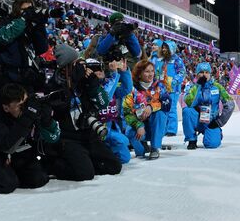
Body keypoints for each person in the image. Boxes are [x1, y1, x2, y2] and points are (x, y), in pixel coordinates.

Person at [43, 44, 122, 181]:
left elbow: (103, 103)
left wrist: (93, 84)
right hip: (68, 137)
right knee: (85, 174)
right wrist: (73, 82)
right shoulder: (54, 84)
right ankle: (52, 165)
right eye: (76, 63)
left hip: (88, 134)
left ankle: (84, 161)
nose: (81, 66)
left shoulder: (85, 81)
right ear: (66, 67)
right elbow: (60, 105)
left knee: (114, 166)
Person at [0, 83, 59, 193]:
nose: (25, 108)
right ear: (6, 108)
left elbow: (51, 137)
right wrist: (28, 117)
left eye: (25, 103)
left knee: (38, 178)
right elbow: (5, 145)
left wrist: (45, 118)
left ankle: (12, 173)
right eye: (20, 106)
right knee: (7, 184)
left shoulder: (29, 105)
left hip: (19, 151)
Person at [0, 0, 49, 92]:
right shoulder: (3, 20)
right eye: (24, 10)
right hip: (6, 76)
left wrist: (39, 25)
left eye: (30, 9)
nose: (28, 12)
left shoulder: (30, 26)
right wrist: (23, 19)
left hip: (26, 77)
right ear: (15, 9)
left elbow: (42, 48)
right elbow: (4, 38)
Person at [122, 60, 170, 160]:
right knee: (129, 132)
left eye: (152, 71)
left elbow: (167, 104)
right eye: (147, 71)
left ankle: (154, 147)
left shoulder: (159, 86)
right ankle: (141, 149)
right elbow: (126, 112)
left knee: (160, 114)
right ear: (139, 73)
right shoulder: (131, 89)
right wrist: (139, 125)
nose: (151, 74)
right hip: (140, 124)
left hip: (155, 124)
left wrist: (151, 107)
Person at [182, 62, 235, 149]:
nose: (204, 75)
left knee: (211, 144)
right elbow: (189, 103)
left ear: (210, 74)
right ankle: (191, 140)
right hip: (197, 120)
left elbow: (230, 104)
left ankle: (217, 133)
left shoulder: (217, 87)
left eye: (207, 72)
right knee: (187, 111)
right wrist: (198, 86)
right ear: (197, 74)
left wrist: (219, 122)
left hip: (211, 122)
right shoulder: (192, 87)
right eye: (201, 72)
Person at [94, 58, 132, 164]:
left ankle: (108, 152)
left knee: (125, 157)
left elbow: (126, 89)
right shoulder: (89, 87)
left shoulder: (109, 82)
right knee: (122, 141)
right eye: (96, 69)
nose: (100, 70)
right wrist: (114, 74)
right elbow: (106, 96)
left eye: (101, 67)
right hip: (96, 128)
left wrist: (124, 72)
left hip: (111, 126)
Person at [153, 40, 185, 136]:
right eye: (163, 47)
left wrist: (174, 81)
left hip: (173, 90)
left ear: (172, 49)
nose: (164, 49)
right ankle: (163, 128)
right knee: (162, 109)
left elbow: (182, 72)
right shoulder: (159, 60)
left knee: (171, 108)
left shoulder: (177, 60)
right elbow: (157, 73)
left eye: (166, 48)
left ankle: (171, 129)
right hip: (161, 89)